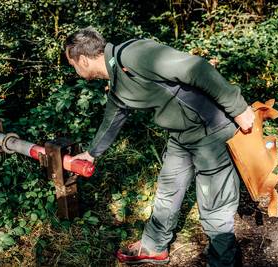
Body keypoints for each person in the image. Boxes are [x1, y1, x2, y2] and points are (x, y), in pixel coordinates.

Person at [65, 26, 255, 266]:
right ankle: (154, 247)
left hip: (210, 130)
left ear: (82, 59)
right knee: (168, 190)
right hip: (180, 135)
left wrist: (238, 108)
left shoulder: (133, 55)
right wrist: (92, 153)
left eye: (72, 64)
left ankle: (223, 261)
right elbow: (113, 118)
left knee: (214, 204)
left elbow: (197, 68)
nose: (74, 69)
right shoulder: (117, 81)